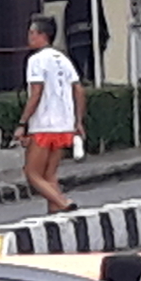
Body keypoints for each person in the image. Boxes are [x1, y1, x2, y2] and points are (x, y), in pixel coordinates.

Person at [15, 16, 86, 214]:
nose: (29, 37)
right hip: (64, 125)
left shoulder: (36, 60)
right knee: (50, 175)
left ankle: (63, 203)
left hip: (44, 124)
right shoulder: (63, 59)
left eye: (32, 33)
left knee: (32, 174)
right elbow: (78, 89)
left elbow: (36, 92)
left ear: (42, 35)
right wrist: (78, 120)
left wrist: (23, 122)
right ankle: (55, 214)